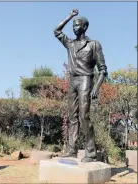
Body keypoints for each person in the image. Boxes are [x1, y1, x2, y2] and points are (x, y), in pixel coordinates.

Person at [54, 9, 108, 162]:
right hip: (72, 81)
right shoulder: (70, 44)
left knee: (84, 116)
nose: (74, 27)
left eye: (77, 24)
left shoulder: (94, 45)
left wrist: (96, 88)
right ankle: (72, 150)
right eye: (73, 25)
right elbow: (56, 30)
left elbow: (103, 70)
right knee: (72, 117)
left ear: (85, 27)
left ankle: (91, 152)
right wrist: (70, 16)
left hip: (86, 80)